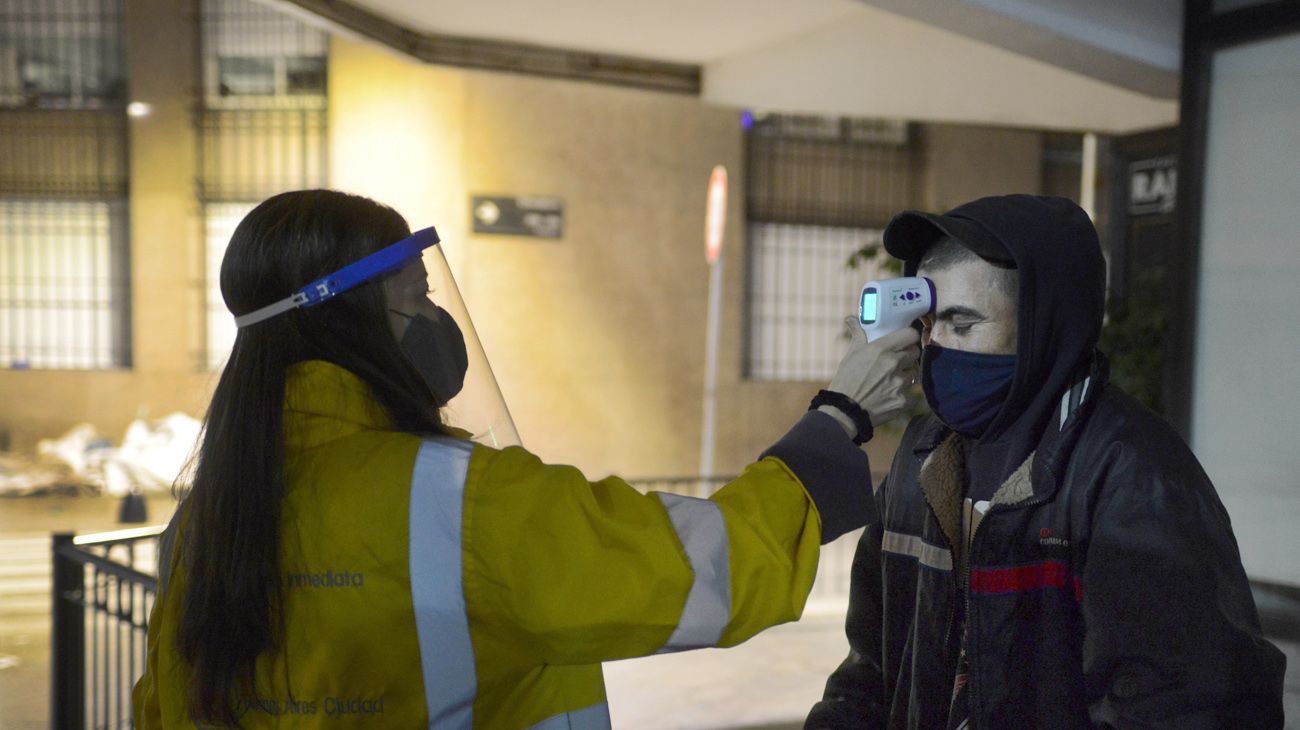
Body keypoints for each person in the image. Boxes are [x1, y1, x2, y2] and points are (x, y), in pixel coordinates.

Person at [131, 189, 921, 729]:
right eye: (416, 299)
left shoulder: (204, 520)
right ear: (352, 327)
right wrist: (839, 418)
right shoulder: (452, 499)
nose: (436, 321)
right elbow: (701, 569)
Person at [805, 195, 1287, 729]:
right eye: (925, 327)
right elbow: (869, 673)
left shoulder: (1131, 472)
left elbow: (1196, 703)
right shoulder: (921, 460)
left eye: (962, 326)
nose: (936, 345)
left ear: (1042, 325)